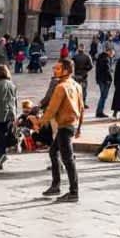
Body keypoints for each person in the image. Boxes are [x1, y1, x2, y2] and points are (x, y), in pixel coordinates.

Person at [40, 57, 84, 203]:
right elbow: (82, 107)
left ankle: (74, 192)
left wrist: (40, 122)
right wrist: (79, 127)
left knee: (68, 159)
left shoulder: (60, 87)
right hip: (71, 124)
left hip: (65, 125)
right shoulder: (76, 85)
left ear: (66, 70)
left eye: (57, 68)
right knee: (54, 152)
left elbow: (52, 108)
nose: (54, 70)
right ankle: (56, 185)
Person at [95, 46, 114, 118]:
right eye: (112, 53)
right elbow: (107, 70)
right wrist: (110, 79)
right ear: (109, 51)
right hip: (105, 80)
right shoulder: (106, 59)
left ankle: (99, 111)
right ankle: (99, 112)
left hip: (100, 79)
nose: (113, 54)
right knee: (103, 96)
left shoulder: (100, 57)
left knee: (102, 96)